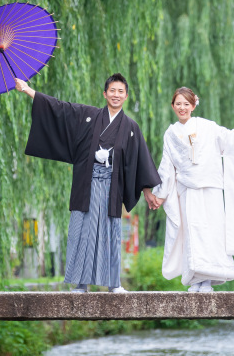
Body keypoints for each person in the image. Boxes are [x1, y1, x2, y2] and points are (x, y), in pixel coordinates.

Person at [14, 74, 162, 293]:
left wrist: (148, 192)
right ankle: (80, 283)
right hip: (87, 184)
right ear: (105, 93)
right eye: (112, 90)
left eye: (121, 91)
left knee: (110, 233)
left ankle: (114, 283)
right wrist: (28, 90)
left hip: (112, 189)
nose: (116, 95)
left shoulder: (131, 127)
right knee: (82, 231)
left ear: (126, 96)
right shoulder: (88, 115)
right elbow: (59, 109)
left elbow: (140, 161)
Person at [152, 87, 234, 292]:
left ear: (193, 105)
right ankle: (195, 280)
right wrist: (160, 194)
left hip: (211, 188)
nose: (182, 108)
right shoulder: (171, 134)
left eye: (186, 104)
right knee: (192, 233)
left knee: (212, 233)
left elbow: (232, 140)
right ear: (172, 106)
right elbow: (167, 165)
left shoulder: (208, 127)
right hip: (187, 189)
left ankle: (208, 281)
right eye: (178, 104)